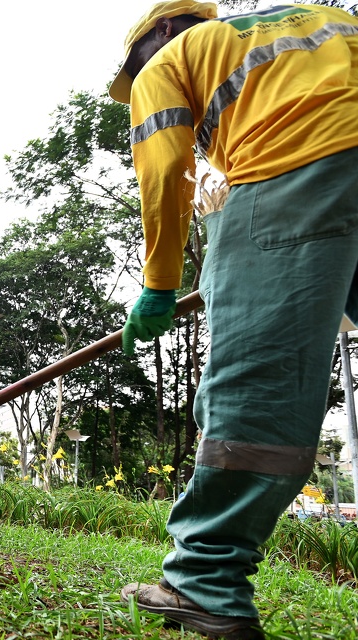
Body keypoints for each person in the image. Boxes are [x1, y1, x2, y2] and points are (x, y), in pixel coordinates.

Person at [109, 2, 358, 638]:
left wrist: (159, 284)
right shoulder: (320, 17)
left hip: (289, 171)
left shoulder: (168, 61)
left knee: (256, 382)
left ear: (164, 30)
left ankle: (205, 582)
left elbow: (164, 169)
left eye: (131, 65)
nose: (134, 79)